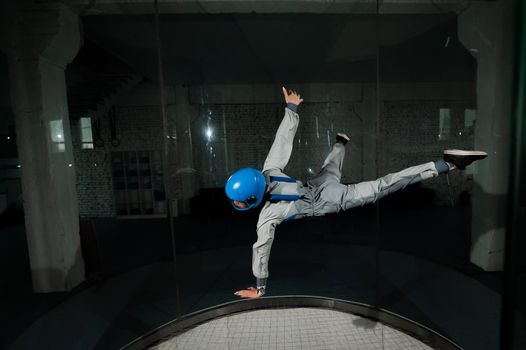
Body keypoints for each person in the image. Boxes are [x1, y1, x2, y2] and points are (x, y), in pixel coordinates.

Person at [226, 87, 487, 299]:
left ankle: (448, 164)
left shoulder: (268, 215)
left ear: (253, 199)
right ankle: (341, 142)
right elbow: (282, 140)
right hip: (318, 185)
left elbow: (261, 248)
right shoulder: (268, 169)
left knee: (381, 186)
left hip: (329, 199)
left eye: (238, 201)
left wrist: (260, 287)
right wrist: (291, 108)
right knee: (330, 168)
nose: (235, 203)